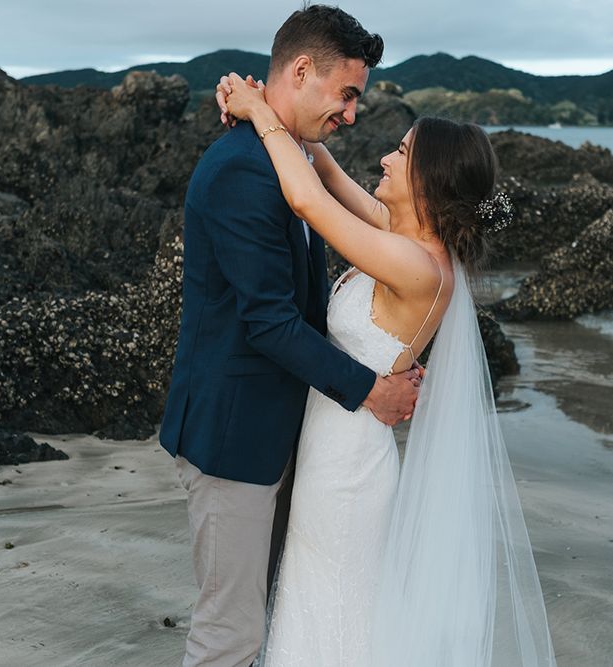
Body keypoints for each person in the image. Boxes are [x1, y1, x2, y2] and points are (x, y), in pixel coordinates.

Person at [221, 70, 557, 665]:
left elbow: (306, 199)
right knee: (319, 602)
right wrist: (274, 104)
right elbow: (323, 171)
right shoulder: (405, 239)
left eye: (400, 152)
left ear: (428, 178)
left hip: (348, 470)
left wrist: (258, 112)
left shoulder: (418, 267)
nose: (384, 155)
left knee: (339, 612)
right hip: (333, 449)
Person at [158, 6, 420, 666]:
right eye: (347, 94)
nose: (353, 114)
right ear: (302, 70)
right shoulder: (247, 169)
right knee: (229, 634)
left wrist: (260, 110)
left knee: (263, 619)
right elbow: (270, 322)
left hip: (280, 435)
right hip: (233, 438)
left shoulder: (286, 158)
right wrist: (372, 393)